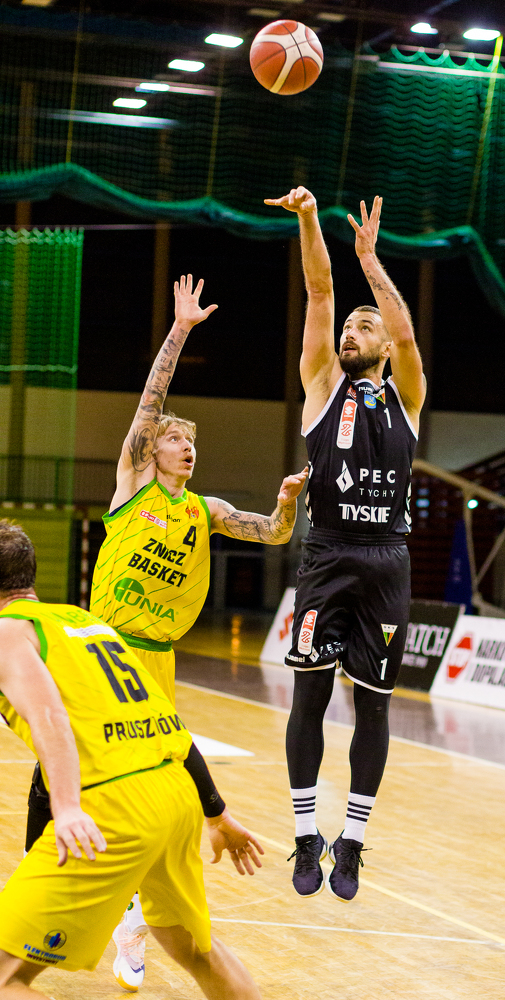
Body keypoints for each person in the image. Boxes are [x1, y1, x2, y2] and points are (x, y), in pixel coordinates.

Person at [24, 273, 307, 990]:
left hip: (157, 660)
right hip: (104, 647)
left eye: (189, 441)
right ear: (151, 451)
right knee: (66, 761)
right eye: (175, 440)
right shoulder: (133, 486)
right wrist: (180, 330)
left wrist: (285, 505)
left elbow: (273, 535)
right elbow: (148, 404)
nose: (185, 447)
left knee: (155, 779)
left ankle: (133, 917)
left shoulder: (204, 510)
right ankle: (45, 882)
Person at [0, 519, 263, 1000]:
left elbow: (50, 717)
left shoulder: (7, 634)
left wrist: (67, 808)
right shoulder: (88, 624)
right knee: (194, 949)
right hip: (175, 794)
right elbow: (172, 726)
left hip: (112, 808)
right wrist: (217, 812)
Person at [265, 189, 425, 901]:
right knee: (310, 694)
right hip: (326, 554)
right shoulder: (323, 383)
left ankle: (352, 841)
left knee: (376, 705)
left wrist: (370, 259)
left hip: (387, 560)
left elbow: (407, 335)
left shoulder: (407, 396)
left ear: (385, 345)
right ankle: (307, 833)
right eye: (350, 327)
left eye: (366, 326)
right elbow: (320, 291)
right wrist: (309, 219)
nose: (351, 332)